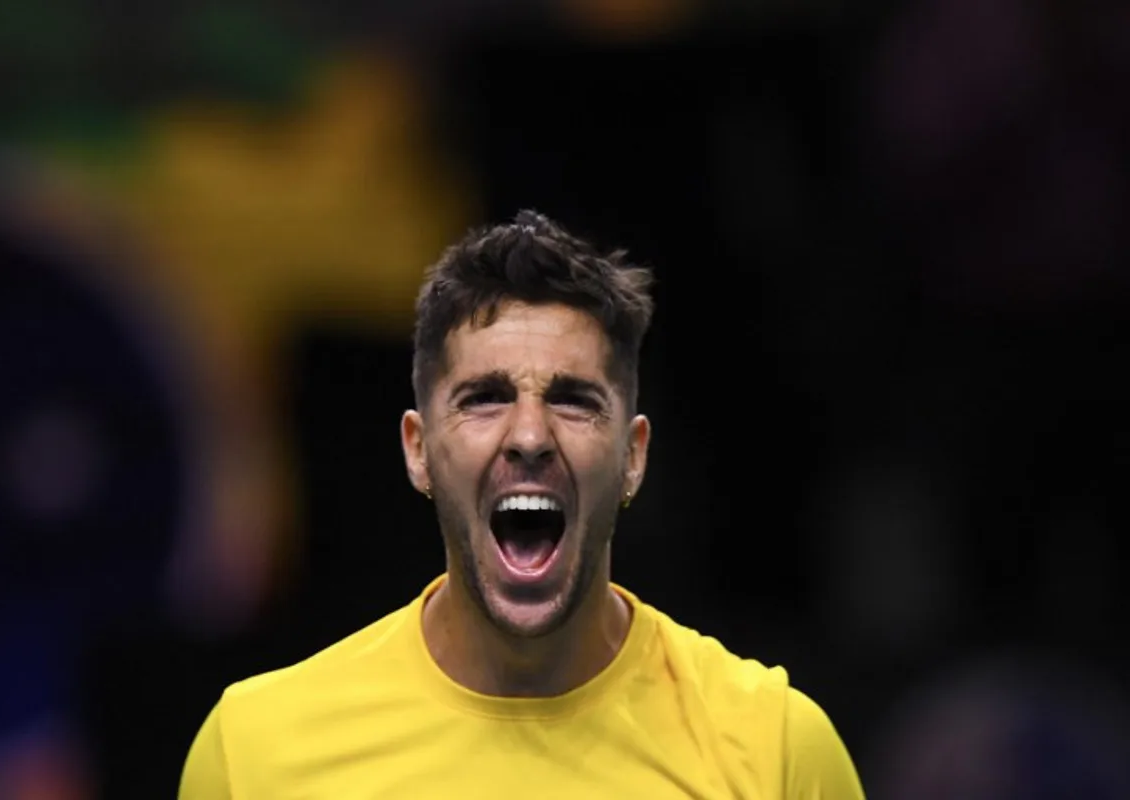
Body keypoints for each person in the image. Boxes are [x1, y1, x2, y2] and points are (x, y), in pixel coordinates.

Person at [178, 210, 865, 798]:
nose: (531, 435)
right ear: (418, 450)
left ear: (634, 455)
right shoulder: (257, 754)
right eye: (485, 398)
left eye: (572, 400)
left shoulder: (773, 749)